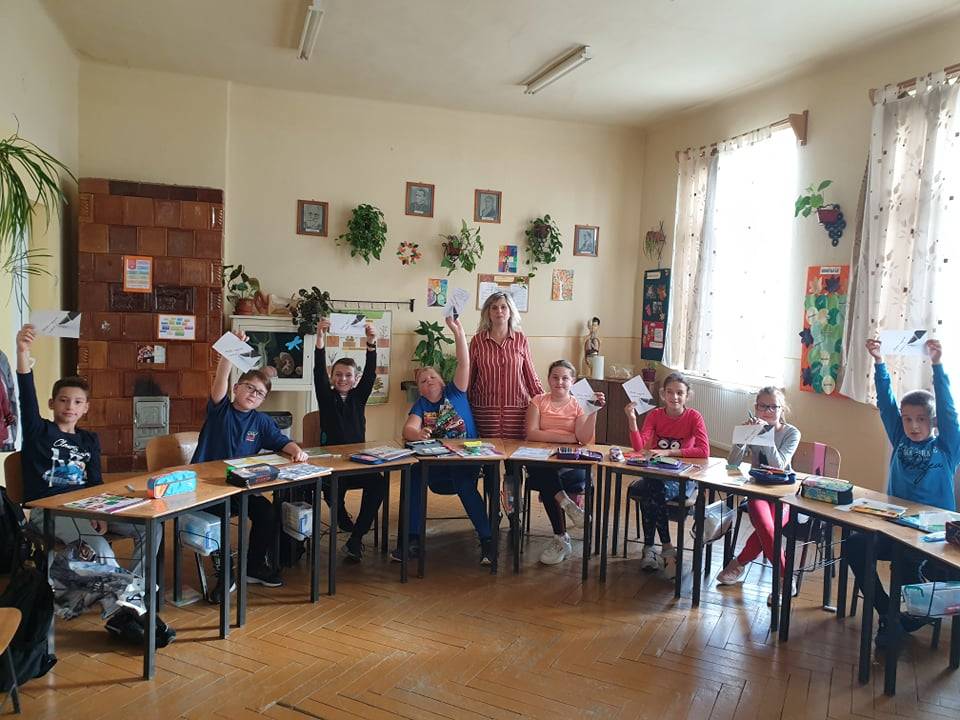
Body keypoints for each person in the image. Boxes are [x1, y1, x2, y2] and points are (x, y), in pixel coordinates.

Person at [15, 323, 175, 646]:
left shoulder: (89, 439)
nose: (69, 407)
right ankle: (123, 613)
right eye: (63, 401)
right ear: (52, 403)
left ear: (85, 408)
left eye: (77, 402)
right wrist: (23, 352)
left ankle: (131, 600)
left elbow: (95, 484)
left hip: (86, 508)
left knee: (151, 527)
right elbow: (25, 396)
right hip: (50, 510)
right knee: (99, 547)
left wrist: (99, 512)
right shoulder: (38, 432)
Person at [844, 338, 959, 648]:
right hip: (895, 527)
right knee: (854, 546)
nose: (913, 426)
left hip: (931, 536)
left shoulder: (948, 447)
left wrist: (937, 365)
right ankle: (888, 614)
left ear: (933, 422)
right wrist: (879, 362)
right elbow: (886, 403)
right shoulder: (899, 438)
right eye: (907, 419)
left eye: (921, 419)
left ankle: (905, 618)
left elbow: (948, 410)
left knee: (907, 569)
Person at [192, 330, 309, 588]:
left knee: (267, 513)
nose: (254, 395)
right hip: (209, 487)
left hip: (240, 486)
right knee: (220, 518)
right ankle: (224, 573)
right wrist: (230, 350)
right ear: (236, 388)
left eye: (260, 393)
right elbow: (221, 377)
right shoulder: (220, 410)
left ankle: (254, 566)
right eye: (250, 388)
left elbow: (281, 441)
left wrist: (296, 450)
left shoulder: (261, 421)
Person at [395, 315, 494, 565]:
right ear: (419, 388)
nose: (428, 381)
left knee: (464, 484)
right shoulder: (421, 404)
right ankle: (412, 539)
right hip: (435, 465)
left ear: (442, 381)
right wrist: (417, 434)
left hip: (464, 461)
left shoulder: (456, 392)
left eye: (432, 377)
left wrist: (458, 333)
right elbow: (409, 429)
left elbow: (463, 363)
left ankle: (487, 540)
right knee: (413, 476)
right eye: (422, 380)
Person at [716, 387, 801, 604]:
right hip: (757, 489)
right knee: (766, 525)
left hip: (784, 492)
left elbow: (779, 465)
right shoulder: (755, 428)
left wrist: (765, 435)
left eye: (774, 407)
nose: (768, 411)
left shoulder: (791, 433)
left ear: (782, 409)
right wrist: (741, 439)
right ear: (756, 408)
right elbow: (732, 464)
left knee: (769, 527)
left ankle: (739, 564)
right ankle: (786, 577)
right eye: (763, 406)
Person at [313, 318, 385, 562]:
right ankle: (341, 515)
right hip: (332, 464)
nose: (343, 379)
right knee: (330, 489)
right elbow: (318, 372)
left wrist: (371, 344)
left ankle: (356, 538)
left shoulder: (359, 397)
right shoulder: (326, 396)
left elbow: (371, 373)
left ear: (355, 379)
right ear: (332, 376)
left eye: (348, 375)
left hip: (357, 462)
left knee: (379, 483)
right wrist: (320, 340)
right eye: (338, 374)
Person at [624, 371, 710, 573]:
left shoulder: (693, 416)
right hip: (657, 473)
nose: (674, 397)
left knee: (651, 491)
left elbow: (704, 451)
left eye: (680, 393)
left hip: (682, 478)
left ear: (687, 395)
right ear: (663, 394)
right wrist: (632, 420)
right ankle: (666, 547)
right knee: (653, 487)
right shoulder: (655, 415)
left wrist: (670, 452)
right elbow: (639, 448)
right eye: (670, 392)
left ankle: (650, 548)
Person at [525, 360, 605, 564]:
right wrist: (569, 438)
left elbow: (583, 439)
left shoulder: (578, 404)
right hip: (543, 459)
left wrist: (593, 411)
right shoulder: (538, 400)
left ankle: (561, 539)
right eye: (555, 377)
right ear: (548, 379)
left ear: (573, 381)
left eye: (565, 378)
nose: (559, 382)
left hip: (570, 463)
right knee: (540, 469)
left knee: (546, 480)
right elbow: (531, 433)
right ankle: (567, 505)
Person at [468, 291, 543, 439]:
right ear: (488, 312)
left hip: (517, 413)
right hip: (485, 413)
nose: (499, 311)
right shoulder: (477, 341)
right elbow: (470, 377)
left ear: (510, 311)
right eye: (494, 307)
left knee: (516, 453)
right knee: (486, 453)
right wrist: (463, 404)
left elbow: (530, 376)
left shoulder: (521, 339)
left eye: (503, 307)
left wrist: (546, 401)